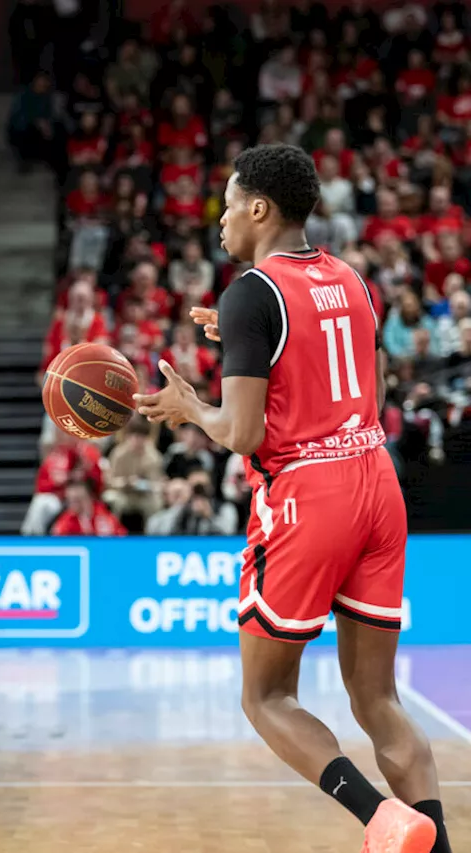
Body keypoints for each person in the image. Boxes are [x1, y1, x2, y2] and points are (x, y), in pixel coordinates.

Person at [135, 143, 451, 853]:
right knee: (379, 700)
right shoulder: (351, 276)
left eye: (226, 202)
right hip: (376, 477)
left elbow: (242, 434)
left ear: (258, 207)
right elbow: (366, 389)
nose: (219, 220)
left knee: (266, 694)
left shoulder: (250, 291)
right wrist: (251, 343)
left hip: (310, 493)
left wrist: (189, 406)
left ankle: (381, 817)